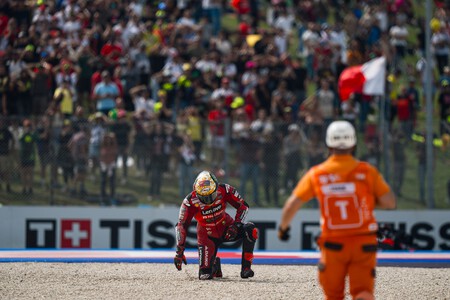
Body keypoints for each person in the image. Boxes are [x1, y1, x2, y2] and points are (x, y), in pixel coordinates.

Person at [278, 120, 396, 300]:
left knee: (333, 296)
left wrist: (283, 229)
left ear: (328, 144)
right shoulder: (366, 171)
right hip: (363, 242)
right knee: (363, 292)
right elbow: (389, 202)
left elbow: (291, 205)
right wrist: (366, 199)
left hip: (334, 244)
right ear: (354, 144)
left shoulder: (317, 173)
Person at [174, 170, 258, 280]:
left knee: (251, 229)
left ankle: (246, 269)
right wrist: (179, 252)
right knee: (205, 275)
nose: (208, 200)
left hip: (227, 229)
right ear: (196, 192)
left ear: (216, 188)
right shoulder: (189, 202)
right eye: (203, 197)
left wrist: (236, 225)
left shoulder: (225, 190)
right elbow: (181, 226)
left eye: (210, 195)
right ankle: (214, 264)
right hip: (207, 237)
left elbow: (243, 206)